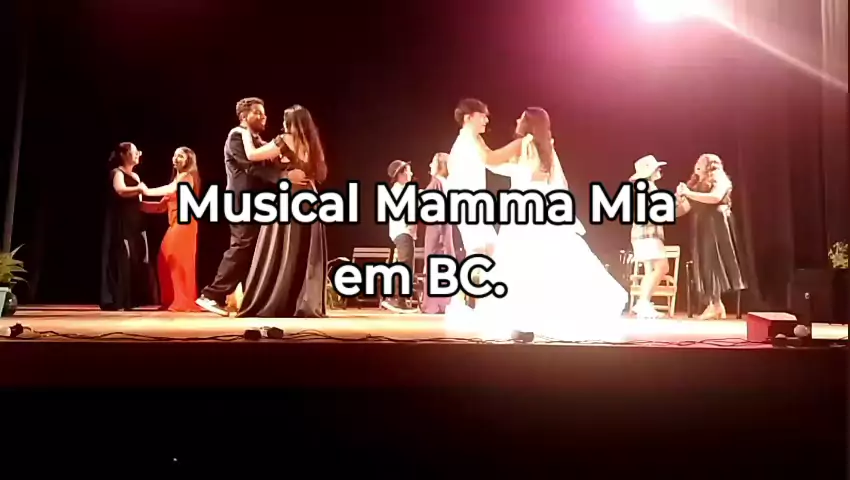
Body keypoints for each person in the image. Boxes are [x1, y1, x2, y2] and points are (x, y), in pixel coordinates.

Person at [448, 108, 627, 338]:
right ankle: (533, 319)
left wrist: (474, 137)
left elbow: (490, 159)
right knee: (544, 261)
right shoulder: (545, 149)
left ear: (529, 123)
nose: (517, 120)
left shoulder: (523, 143)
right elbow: (521, 172)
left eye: (521, 118)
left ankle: (521, 320)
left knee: (519, 262)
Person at [195, 97, 290, 316]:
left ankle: (246, 297)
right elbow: (250, 168)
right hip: (240, 199)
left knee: (252, 248)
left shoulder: (255, 139)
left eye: (264, 112)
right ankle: (211, 294)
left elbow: (269, 161)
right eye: (257, 112)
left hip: (255, 200)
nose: (263, 116)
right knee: (242, 245)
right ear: (243, 116)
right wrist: (283, 178)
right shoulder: (237, 136)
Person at [237, 105, 328, 318]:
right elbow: (320, 174)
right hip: (311, 199)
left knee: (285, 250)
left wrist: (245, 132)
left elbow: (251, 155)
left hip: (291, 198)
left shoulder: (285, 139)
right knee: (304, 252)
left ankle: (279, 300)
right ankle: (301, 302)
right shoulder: (313, 144)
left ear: (291, 122)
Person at [676, 154, 747, 319]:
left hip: (716, 224)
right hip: (703, 225)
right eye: (697, 161)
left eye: (702, 162)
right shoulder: (696, 185)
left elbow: (715, 197)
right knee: (705, 263)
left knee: (713, 261)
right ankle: (715, 305)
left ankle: (714, 305)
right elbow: (684, 208)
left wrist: (688, 193)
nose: (697, 164)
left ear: (710, 165)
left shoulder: (720, 178)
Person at [100, 142, 159, 311]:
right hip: (122, 222)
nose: (139, 154)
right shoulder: (117, 173)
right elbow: (120, 190)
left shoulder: (136, 176)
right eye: (135, 151)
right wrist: (139, 189)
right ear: (124, 154)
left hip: (135, 222)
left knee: (136, 259)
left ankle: (130, 300)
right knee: (122, 259)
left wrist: (159, 206)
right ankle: (116, 299)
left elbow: (140, 202)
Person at [142, 147, 203, 312]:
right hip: (175, 223)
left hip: (185, 223)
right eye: (175, 155)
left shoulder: (187, 177)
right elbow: (160, 207)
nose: (176, 158)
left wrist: (146, 190)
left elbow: (171, 189)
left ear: (188, 160)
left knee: (177, 260)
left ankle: (182, 300)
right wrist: (137, 205)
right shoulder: (176, 180)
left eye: (180, 156)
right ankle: (171, 299)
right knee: (164, 258)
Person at [628, 154, 670, 318]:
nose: (659, 171)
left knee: (651, 269)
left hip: (642, 233)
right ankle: (643, 302)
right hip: (648, 234)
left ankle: (644, 303)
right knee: (661, 267)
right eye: (657, 168)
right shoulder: (648, 187)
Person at [421, 152, 457, 314]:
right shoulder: (446, 183)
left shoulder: (437, 183)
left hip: (437, 229)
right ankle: (442, 303)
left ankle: (433, 305)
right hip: (444, 228)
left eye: (433, 162)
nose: (430, 165)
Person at [382, 159, 419, 313]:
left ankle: (398, 299)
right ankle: (398, 300)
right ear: (401, 174)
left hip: (404, 232)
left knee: (405, 264)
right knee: (405, 265)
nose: (411, 173)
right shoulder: (399, 191)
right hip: (403, 232)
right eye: (408, 171)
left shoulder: (402, 190)